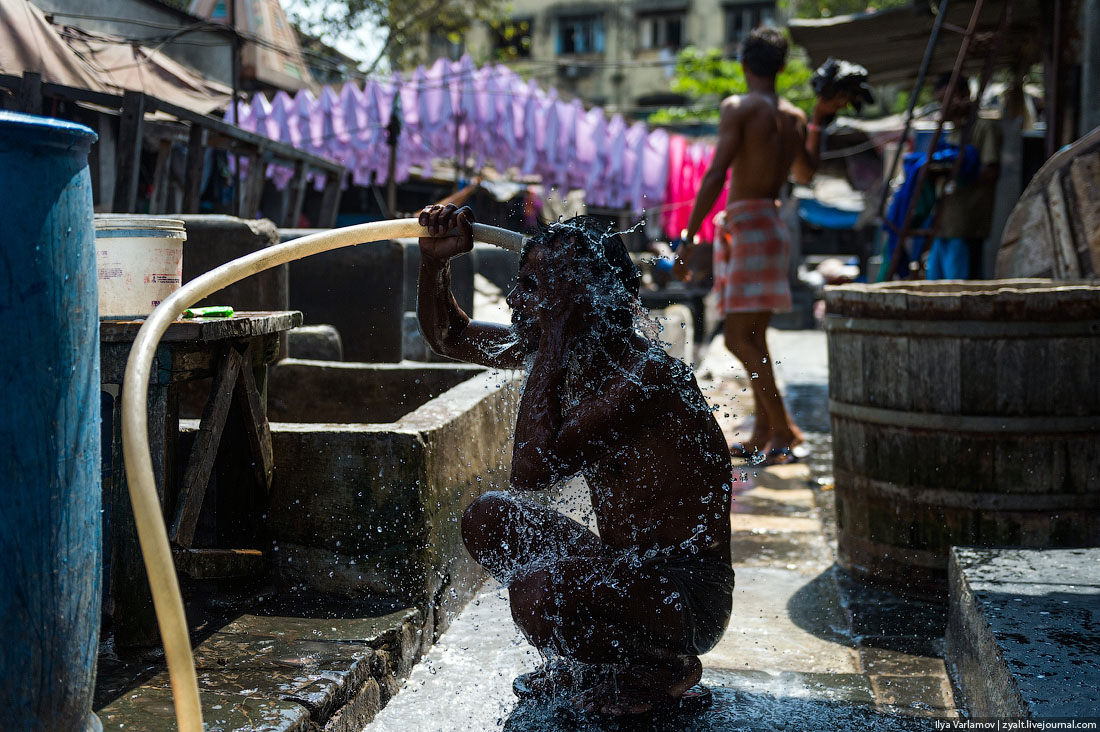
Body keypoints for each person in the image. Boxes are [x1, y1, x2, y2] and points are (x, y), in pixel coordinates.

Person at [416, 203, 734, 719]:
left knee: (537, 595)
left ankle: (660, 667)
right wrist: (434, 262)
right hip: (627, 573)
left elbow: (533, 471)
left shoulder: (644, 377)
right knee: (488, 518)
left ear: (582, 302)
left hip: (684, 598)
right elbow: (449, 336)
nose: (516, 300)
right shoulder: (573, 353)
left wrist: (557, 333)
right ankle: (608, 663)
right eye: (522, 283)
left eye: (537, 289)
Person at [674, 27, 850, 464]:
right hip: (773, 225)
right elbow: (807, 174)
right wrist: (818, 122)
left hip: (748, 226)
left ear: (743, 64)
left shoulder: (738, 107)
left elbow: (716, 174)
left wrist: (689, 233)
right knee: (754, 335)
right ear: (782, 68)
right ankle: (763, 433)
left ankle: (785, 428)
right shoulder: (793, 117)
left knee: (737, 338)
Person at [925, 74, 1002, 280]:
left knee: (960, 288)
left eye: (947, 100)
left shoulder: (984, 128)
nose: (943, 107)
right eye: (940, 102)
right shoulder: (952, 132)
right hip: (943, 225)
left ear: (965, 95)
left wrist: (957, 174)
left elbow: (991, 172)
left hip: (966, 226)